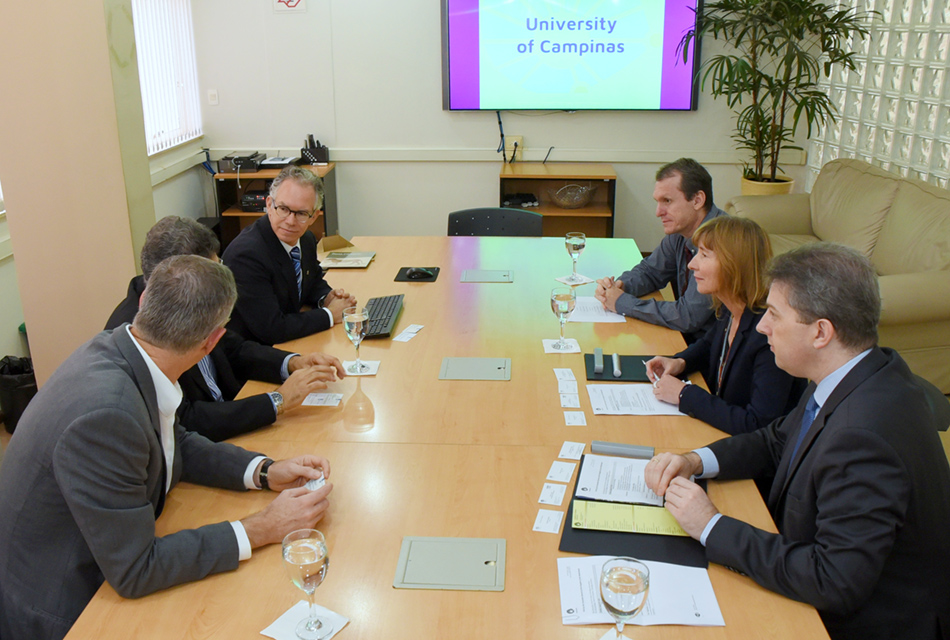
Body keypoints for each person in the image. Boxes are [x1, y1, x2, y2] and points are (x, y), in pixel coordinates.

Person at [0, 256, 334, 640]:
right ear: (212, 342)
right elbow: (136, 568)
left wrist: (262, 471)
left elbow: (174, 441)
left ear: (145, 303)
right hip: (66, 610)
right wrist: (262, 527)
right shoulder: (106, 415)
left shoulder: (120, 347)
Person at [644, 243, 950, 640]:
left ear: (821, 332)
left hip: (868, 623)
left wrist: (711, 525)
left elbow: (834, 580)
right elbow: (777, 439)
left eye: (774, 314)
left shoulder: (863, 436)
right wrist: (696, 460)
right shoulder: (855, 370)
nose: (762, 327)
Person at [105, 216, 345, 441]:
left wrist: (292, 363)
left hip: (235, 413)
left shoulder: (185, 300)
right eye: (215, 271)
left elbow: (232, 347)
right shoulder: (142, 332)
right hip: (208, 442)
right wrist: (277, 401)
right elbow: (185, 420)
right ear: (179, 278)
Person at [645, 216, 805, 435]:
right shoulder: (732, 306)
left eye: (704, 255)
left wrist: (685, 394)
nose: (692, 265)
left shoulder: (768, 333)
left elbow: (758, 424)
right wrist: (680, 362)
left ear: (734, 264)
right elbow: (710, 344)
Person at [595, 158, 727, 343]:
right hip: (691, 342)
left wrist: (622, 302)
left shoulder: (722, 242)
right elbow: (651, 272)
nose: (658, 212)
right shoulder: (681, 231)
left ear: (697, 200)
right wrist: (620, 286)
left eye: (667, 201)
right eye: (658, 202)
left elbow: (687, 317)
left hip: (710, 350)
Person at [223, 166, 357, 345]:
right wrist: (330, 314)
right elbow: (272, 328)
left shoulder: (306, 239)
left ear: (314, 217)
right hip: (255, 353)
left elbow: (312, 281)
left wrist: (327, 298)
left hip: (289, 339)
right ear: (269, 205)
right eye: (284, 209)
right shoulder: (246, 255)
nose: (290, 221)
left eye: (301, 213)